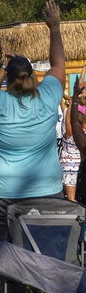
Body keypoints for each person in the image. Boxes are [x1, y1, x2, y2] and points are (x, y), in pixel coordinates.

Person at [0, 1, 65, 245]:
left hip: (4, 194)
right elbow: (59, 64)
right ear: (32, 76)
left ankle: (9, 284)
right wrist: (54, 28)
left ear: (6, 80)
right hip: (47, 190)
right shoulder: (49, 97)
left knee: (4, 253)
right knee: (47, 252)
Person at [64, 66, 86, 204]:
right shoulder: (75, 128)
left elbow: (72, 122)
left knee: (73, 202)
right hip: (73, 161)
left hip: (72, 162)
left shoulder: (74, 125)